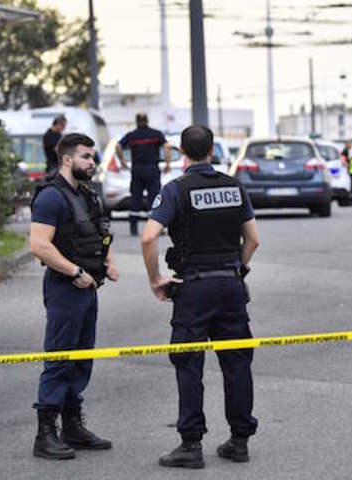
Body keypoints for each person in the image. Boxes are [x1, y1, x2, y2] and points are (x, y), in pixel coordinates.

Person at [141, 125, 259, 469]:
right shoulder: (234, 187)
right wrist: (237, 267)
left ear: (182, 151)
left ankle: (191, 445)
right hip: (231, 286)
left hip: (193, 288)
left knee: (189, 364)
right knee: (237, 363)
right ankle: (239, 441)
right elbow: (253, 239)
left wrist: (155, 280)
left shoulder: (176, 190)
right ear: (211, 151)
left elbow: (149, 238)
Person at [28, 133, 118, 460]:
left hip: (88, 287)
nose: (92, 163)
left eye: (92, 157)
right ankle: (45, 433)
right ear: (67, 159)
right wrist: (75, 272)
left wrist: (106, 263)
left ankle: (72, 426)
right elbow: (38, 245)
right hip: (66, 288)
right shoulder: (51, 197)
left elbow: (97, 234)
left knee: (80, 358)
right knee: (60, 359)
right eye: (86, 157)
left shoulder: (86, 194)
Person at [116, 113, 171, 236]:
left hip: (137, 169)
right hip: (152, 168)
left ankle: (133, 228)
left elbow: (118, 146)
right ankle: (156, 228)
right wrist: (168, 163)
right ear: (147, 120)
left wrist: (122, 161)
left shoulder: (132, 135)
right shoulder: (156, 134)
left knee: (136, 197)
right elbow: (167, 147)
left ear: (136, 122)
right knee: (154, 198)